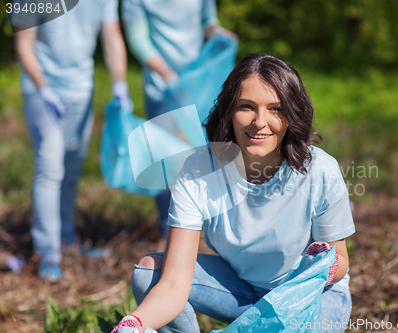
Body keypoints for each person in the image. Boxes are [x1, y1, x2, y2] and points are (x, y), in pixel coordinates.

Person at [112, 54, 355, 333]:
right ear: (229, 110)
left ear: (292, 115)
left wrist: (321, 265)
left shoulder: (321, 170)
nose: (259, 122)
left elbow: (342, 261)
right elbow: (174, 282)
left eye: (275, 109)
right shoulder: (199, 170)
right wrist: (134, 324)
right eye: (246, 107)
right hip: (241, 290)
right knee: (149, 274)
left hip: (311, 296)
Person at [12, 0, 131, 281]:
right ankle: (47, 254)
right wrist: (43, 88)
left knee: (72, 168)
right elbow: (23, 44)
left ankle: (67, 240)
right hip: (43, 90)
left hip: (81, 90)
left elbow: (112, 36)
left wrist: (120, 83)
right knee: (50, 167)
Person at [121, 0, 236, 239]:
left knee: (204, 158)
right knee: (168, 164)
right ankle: (169, 230)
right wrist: (167, 74)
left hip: (199, 86)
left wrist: (219, 32)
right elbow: (138, 41)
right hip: (164, 89)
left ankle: (204, 230)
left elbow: (208, 22)